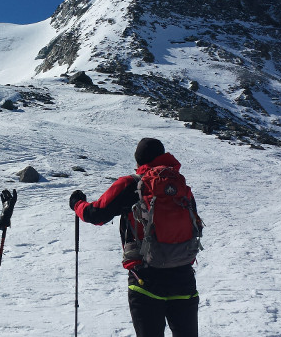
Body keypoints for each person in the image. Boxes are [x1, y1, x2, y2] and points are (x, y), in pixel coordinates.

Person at [69, 138, 199, 337]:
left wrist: (77, 203)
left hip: (145, 280)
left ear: (138, 160)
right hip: (183, 278)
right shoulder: (178, 185)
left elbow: (96, 214)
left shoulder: (132, 184)